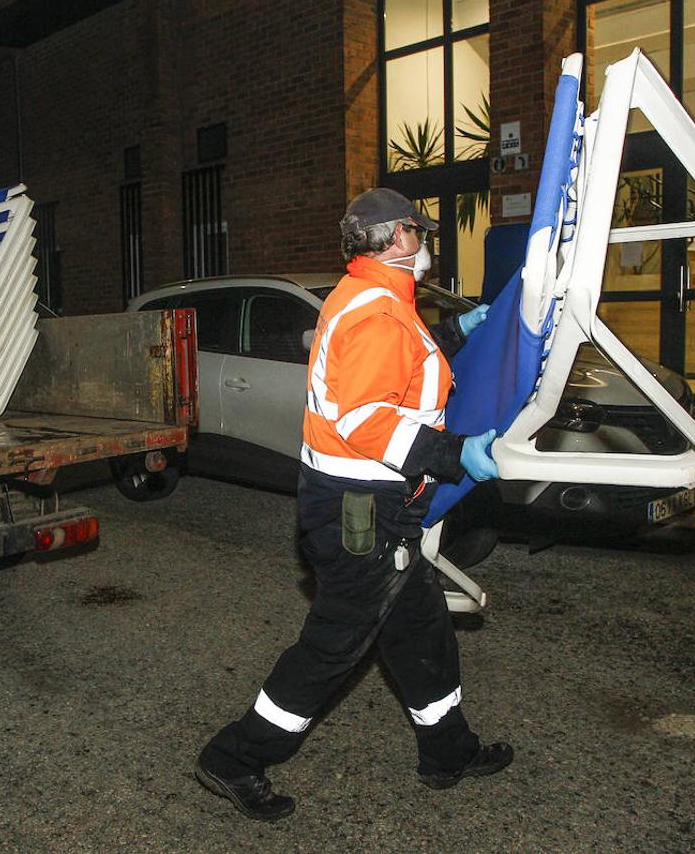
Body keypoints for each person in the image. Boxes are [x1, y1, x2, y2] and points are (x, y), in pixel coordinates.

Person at [194, 187, 512, 821]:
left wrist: (455, 331)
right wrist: (456, 456)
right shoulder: (377, 311)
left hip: (358, 508)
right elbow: (366, 418)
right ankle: (233, 757)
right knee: (331, 651)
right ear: (396, 237)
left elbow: (397, 371)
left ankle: (447, 751)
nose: (423, 244)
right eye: (417, 233)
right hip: (360, 514)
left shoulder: (371, 296)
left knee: (420, 629)